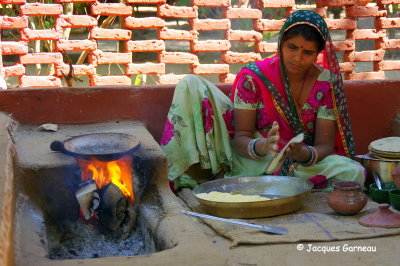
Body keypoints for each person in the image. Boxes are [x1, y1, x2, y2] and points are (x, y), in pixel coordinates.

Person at [160, 10, 365, 191]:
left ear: (318, 54)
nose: (297, 57)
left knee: (353, 172)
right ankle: (271, 182)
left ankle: (264, 183)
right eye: (292, 47)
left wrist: (302, 153)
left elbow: (324, 145)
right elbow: (241, 137)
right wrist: (265, 146)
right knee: (190, 83)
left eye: (308, 52)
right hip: (253, 158)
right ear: (281, 43)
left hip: (302, 162)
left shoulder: (325, 83)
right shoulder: (254, 77)